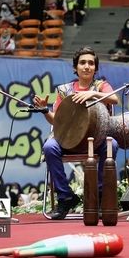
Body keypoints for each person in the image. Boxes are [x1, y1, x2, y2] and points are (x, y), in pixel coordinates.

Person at [33, 47, 119, 220]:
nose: (86, 66)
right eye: (82, 63)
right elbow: (56, 121)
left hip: (96, 139)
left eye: (91, 63)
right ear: (75, 68)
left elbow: (114, 99)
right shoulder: (64, 90)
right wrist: (44, 111)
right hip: (68, 139)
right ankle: (66, 198)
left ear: (95, 68)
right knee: (50, 147)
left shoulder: (101, 86)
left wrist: (93, 94)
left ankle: (101, 196)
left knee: (113, 145)